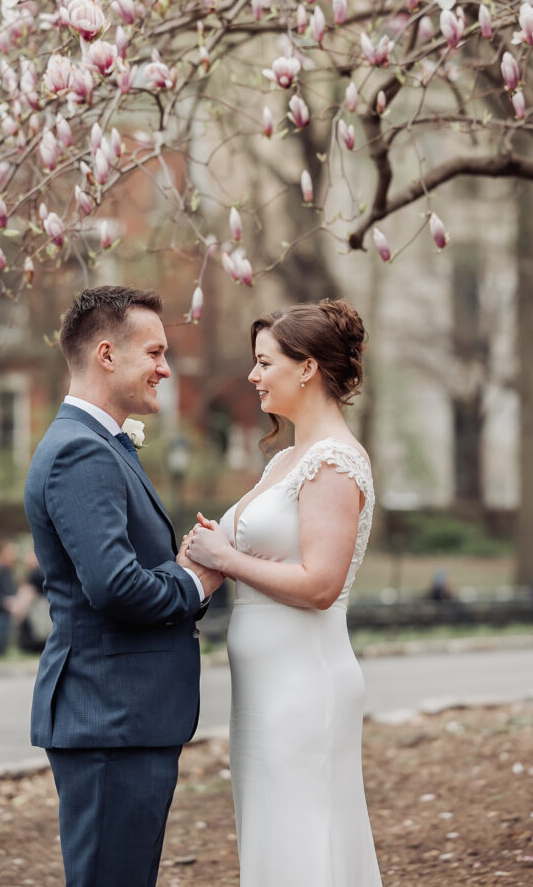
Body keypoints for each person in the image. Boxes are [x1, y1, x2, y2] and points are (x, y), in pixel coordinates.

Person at [24, 286, 223, 887]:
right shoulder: (79, 453)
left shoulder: (102, 445)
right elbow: (114, 587)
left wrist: (181, 560)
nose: (166, 367)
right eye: (155, 352)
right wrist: (197, 578)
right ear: (107, 355)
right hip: (110, 716)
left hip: (123, 716)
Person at [183, 299, 383, 886]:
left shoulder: (334, 462)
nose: (253, 375)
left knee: (305, 844)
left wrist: (227, 558)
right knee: (274, 842)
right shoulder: (283, 462)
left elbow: (321, 584)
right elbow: (235, 550)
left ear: (306, 368)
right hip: (264, 691)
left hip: (306, 685)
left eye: (264, 362)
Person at [13, 550, 51, 654]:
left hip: (40, 608)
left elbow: (28, 593)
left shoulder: (36, 574)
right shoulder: (41, 572)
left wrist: (19, 609)